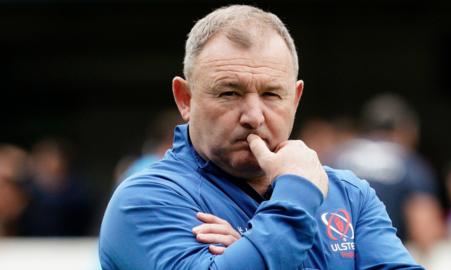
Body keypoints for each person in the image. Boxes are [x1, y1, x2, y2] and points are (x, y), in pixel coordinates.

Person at [99, 5, 422, 269]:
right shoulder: (146, 200)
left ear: (294, 99)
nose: (253, 116)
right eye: (229, 92)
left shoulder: (350, 195)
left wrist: (252, 252)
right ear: (185, 98)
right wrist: (298, 193)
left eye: (271, 94)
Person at [328, 93, 438, 240]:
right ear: (403, 128)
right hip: (385, 256)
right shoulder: (409, 162)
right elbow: (424, 228)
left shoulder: (335, 157)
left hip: (337, 253)